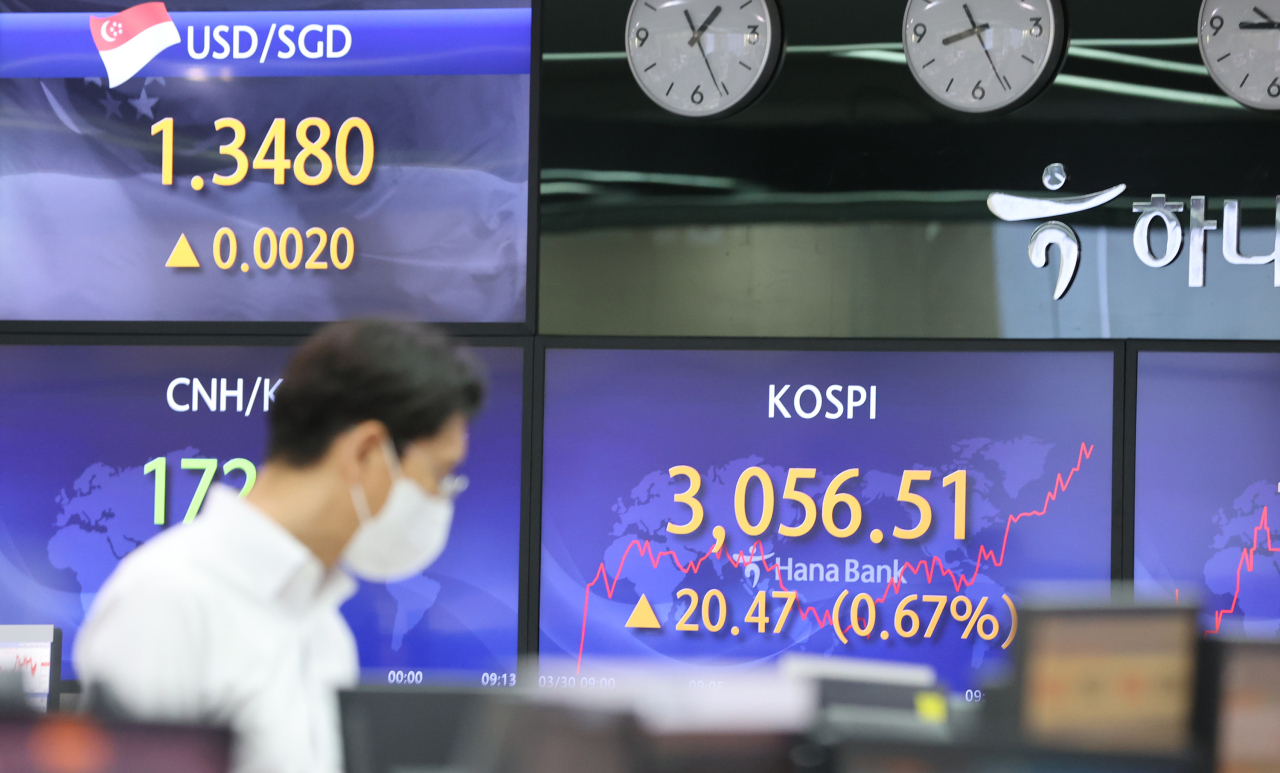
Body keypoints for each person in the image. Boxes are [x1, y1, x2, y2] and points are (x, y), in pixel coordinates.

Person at [74, 320, 485, 773]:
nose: (440, 498)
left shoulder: (324, 633)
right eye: (438, 473)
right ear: (367, 452)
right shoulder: (167, 600)